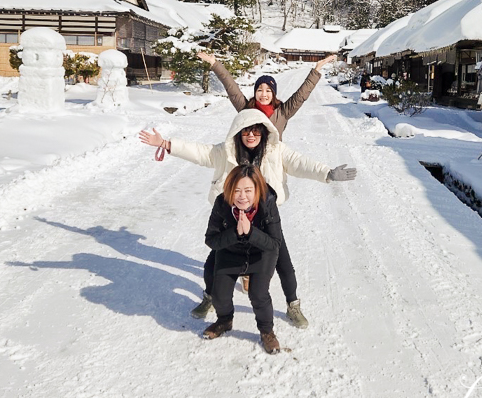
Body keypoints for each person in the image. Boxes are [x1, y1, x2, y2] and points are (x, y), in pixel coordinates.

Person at [139, 108, 356, 328]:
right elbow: (199, 152)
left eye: (255, 131)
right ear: (238, 133)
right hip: (232, 216)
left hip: (265, 216)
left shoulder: (276, 150)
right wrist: (166, 144)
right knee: (213, 263)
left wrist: (327, 173)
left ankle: (293, 304)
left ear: (263, 132)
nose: (251, 136)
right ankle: (210, 298)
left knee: (284, 263)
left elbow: (301, 163)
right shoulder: (226, 151)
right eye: (245, 132)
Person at [204, 164, 282, 354]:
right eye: (237, 190)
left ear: (257, 190)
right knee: (219, 295)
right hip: (230, 252)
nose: (242, 196)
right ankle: (224, 321)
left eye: (248, 190)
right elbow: (211, 240)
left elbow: (274, 244)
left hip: (261, 254)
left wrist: (251, 232)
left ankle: (267, 332)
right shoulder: (222, 203)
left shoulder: (267, 203)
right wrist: (236, 234)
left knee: (258, 295)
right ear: (230, 189)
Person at [196, 51, 336, 141]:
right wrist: (215, 64)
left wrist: (316, 70)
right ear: (255, 92)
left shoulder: (282, 112)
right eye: (260, 90)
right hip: (250, 169)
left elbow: (301, 95)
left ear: (273, 94)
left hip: (273, 168)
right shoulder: (246, 110)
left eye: (268, 91)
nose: (263, 94)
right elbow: (231, 87)